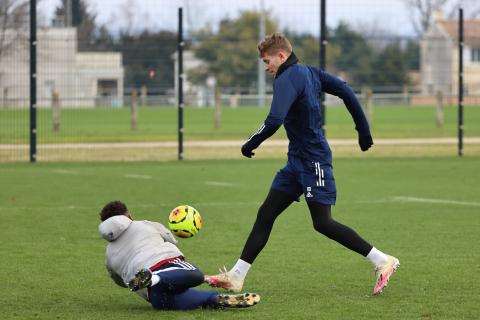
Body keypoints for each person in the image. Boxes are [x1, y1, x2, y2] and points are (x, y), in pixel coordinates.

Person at [204, 32, 399, 296]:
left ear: (281, 56)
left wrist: (250, 143)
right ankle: (236, 276)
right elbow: (345, 89)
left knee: (322, 222)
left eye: (267, 61)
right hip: (296, 162)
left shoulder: (287, 78)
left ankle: (382, 260)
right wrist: (363, 130)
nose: (266, 67)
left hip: (313, 160)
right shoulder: (310, 73)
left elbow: (274, 120)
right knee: (266, 214)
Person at [98, 200, 260, 310]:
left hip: (154, 295)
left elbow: (120, 282)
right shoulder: (144, 224)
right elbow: (171, 239)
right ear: (129, 217)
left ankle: (217, 299)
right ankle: (153, 277)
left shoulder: (109, 256)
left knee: (191, 299)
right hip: (164, 264)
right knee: (195, 274)